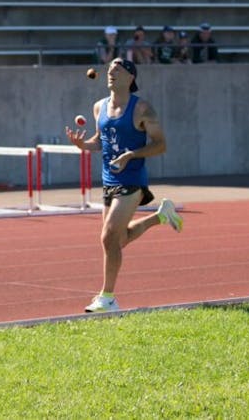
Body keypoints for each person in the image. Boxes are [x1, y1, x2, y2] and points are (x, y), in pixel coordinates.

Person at [65, 57, 182, 313]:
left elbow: (160, 145)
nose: (110, 73)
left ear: (131, 77)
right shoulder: (99, 107)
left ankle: (108, 298)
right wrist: (83, 145)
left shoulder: (143, 109)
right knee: (117, 240)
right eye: (109, 70)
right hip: (108, 180)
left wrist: (131, 155)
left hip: (132, 180)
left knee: (108, 237)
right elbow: (101, 140)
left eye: (117, 70)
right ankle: (160, 217)